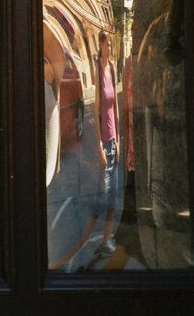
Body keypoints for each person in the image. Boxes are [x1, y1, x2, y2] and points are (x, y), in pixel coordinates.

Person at [50, 30, 121, 270]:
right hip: (104, 143)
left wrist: (117, 139)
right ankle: (81, 245)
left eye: (111, 44)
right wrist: (101, 144)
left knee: (112, 199)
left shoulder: (111, 68)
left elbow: (115, 108)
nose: (110, 47)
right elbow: (99, 107)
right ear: (100, 45)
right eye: (107, 44)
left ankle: (106, 240)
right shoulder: (99, 71)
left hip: (114, 141)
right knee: (103, 199)